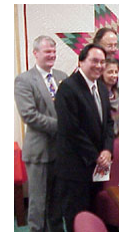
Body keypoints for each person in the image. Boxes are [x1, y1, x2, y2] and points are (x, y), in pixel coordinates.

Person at [49, 44, 114, 231]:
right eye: (94, 61)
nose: (99, 66)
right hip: (75, 168)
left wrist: (108, 150)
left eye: (102, 62)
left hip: (97, 168)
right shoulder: (68, 88)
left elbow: (109, 124)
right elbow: (71, 130)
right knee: (76, 219)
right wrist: (96, 156)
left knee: (94, 215)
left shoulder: (101, 87)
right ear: (81, 62)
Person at [14, 35, 68, 231]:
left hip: (60, 153)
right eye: (47, 51)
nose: (52, 55)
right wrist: (62, 126)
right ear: (35, 53)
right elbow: (29, 115)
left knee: (56, 203)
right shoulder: (24, 80)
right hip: (39, 152)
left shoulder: (62, 77)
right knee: (38, 204)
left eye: (54, 51)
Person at [99, 57, 119, 138]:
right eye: (110, 72)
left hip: (118, 137)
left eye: (116, 72)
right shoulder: (97, 95)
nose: (114, 75)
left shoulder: (117, 94)